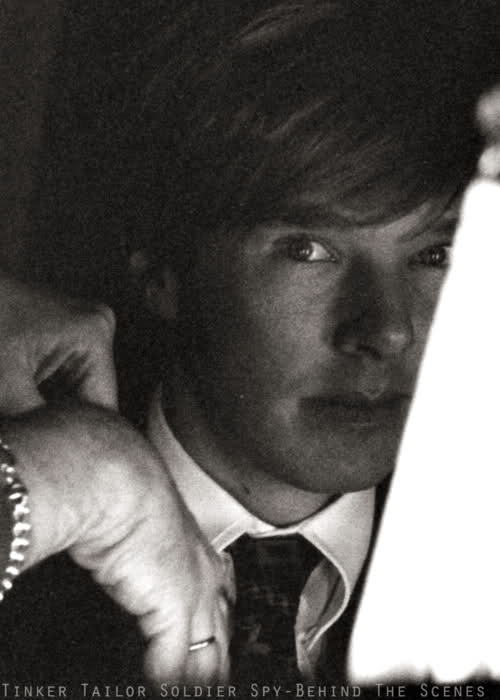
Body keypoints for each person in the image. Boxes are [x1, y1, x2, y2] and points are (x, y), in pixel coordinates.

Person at [0, 0, 499, 693]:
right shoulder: (35, 499)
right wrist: (49, 485)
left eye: (435, 254)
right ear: (164, 273)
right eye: (308, 249)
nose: (387, 329)